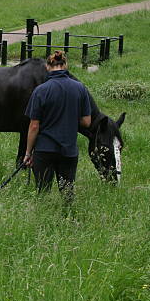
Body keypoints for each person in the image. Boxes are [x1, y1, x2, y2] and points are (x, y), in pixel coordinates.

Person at [23, 51, 91, 202]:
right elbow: (87, 122)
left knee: (42, 193)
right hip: (69, 151)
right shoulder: (80, 88)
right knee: (67, 193)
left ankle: (43, 221)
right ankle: (68, 218)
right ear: (65, 65)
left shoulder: (40, 90)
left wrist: (28, 153)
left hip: (44, 150)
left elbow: (34, 126)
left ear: (48, 66)